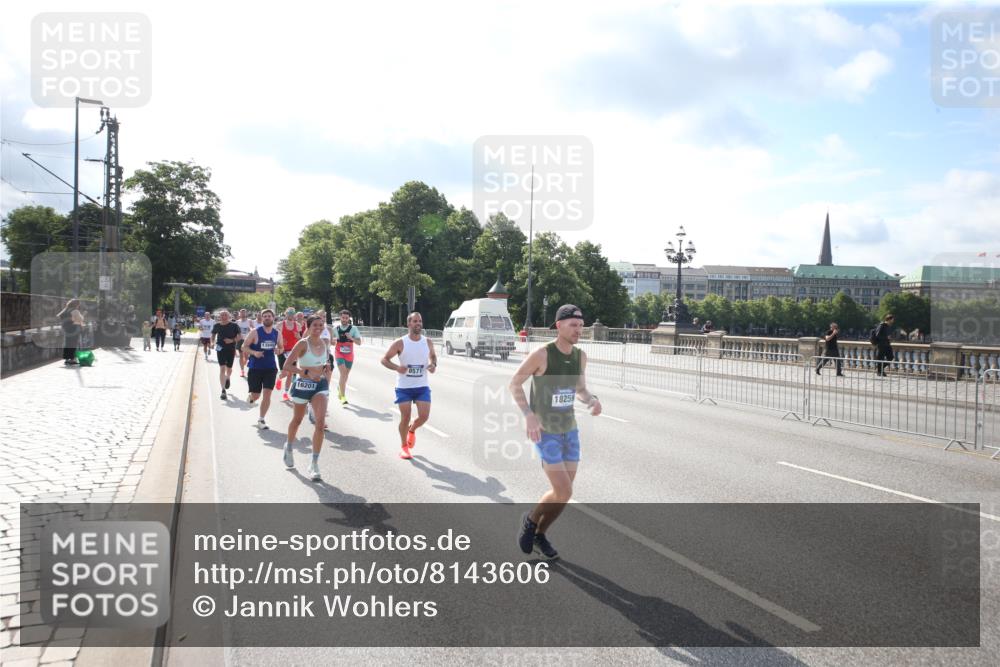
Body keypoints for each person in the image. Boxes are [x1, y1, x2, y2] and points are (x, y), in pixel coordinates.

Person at [509, 304, 601, 560]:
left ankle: (540, 534)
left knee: (562, 495)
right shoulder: (542, 355)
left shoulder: (581, 356)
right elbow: (514, 383)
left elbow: (580, 389)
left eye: (581, 325)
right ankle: (529, 520)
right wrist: (528, 416)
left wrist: (592, 400)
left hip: (569, 431)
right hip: (545, 431)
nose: (579, 330)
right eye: (573, 325)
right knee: (564, 491)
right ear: (558, 326)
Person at [381, 312, 437, 460]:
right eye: (415, 321)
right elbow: (384, 359)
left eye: (420, 321)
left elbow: (433, 356)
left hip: (422, 385)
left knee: (424, 416)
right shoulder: (400, 342)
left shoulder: (428, 341)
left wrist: (433, 364)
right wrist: (397, 368)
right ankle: (404, 447)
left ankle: (412, 430)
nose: (418, 323)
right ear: (409, 324)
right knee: (405, 417)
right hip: (404, 387)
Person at [282, 315, 331, 480]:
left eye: (321, 325)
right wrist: (305, 373)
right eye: (315, 325)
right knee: (297, 420)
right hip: (303, 385)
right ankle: (288, 447)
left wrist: (325, 373)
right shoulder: (303, 343)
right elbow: (287, 365)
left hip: (320, 386)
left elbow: (324, 365)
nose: (318, 328)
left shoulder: (324, 343)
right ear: (308, 327)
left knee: (320, 423)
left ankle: (314, 463)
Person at [242, 308, 282, 430]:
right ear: (262, 318)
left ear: (273, 318)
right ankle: (251, 397)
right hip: (256, 368)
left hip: (270, 368)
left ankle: (261, 419)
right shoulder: (255, 332)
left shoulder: (277, 333)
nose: (267, 318)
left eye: (269, 316)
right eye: (264, 316)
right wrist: (254, 353)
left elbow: (282, 348)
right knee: (256, 395)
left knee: (267, 394)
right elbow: (244, 347)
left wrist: (278, 350)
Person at [332, 309, 362, 405]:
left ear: (349, 318)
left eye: (346, 318)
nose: (344, 319)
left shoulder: (353, 329)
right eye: (343, 317)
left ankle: (340, 387)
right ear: (340, 317)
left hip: (349, 354)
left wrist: (351, 338)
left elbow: (359, 343)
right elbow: (332, 342)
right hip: (339, 353)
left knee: (345, 375)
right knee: (343, 373)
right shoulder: (335, 329)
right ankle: (343, 397)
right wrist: (333, 341)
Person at [211, 310, 242, 399]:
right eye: (222, 315)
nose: (224, 316)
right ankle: (223, 390)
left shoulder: (234, 325)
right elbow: (213, 335)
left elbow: (240, 337)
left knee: (229, 369)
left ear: (229, 316)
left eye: (225, 315)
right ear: (219, 317)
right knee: (222, 369)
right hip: (220, 349)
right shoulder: (217, 325)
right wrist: (212, 342)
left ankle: (228, 378)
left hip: (231, 349)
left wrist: (232, 340)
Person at [277, 308, 302, 402]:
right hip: (282, 350)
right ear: (286, 314)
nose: (291, 315)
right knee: (284, 373)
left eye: (292, 313)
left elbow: (300, 339)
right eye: (289, 313)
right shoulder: (280, 324)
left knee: (290, 373)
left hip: (293, 351)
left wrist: (298, 337)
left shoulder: (298, 325)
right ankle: (279, 378)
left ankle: (285, 393)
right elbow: (276, 337)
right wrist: (280, 342)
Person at [57, 298, 82, 365]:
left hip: (66, 329)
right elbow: (80, 319)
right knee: (73, 343)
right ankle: (72, 359)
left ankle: (67, 359)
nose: (79, 306)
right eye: (78, 304)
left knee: (67, 343)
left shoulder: (65, 310)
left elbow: (59, 316)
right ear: (76, 304)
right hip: (74, 329)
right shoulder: (75, 311)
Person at [235, 309, 253, 378]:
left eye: (244, 313)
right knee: (241, 356)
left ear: (246, 314)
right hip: (240, 340)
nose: (242, 314)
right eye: (241, 313)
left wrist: (250, 329)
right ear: (240, 314)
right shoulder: (237, 322)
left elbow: (252, 328)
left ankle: (244, 363)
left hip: (248, 340)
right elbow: (235, 331)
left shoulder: (249, 321)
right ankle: (242, 371)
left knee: (246, 356)